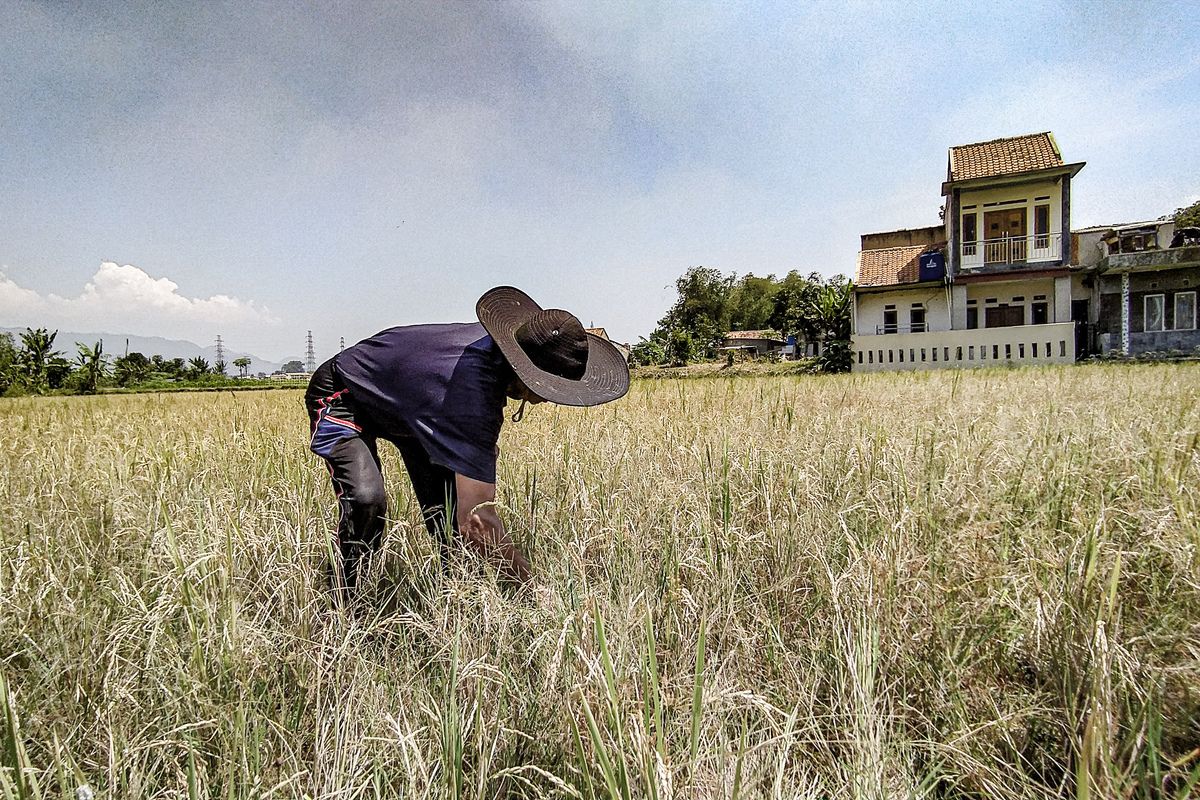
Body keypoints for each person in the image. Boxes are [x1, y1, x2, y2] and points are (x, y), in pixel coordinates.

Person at [305, 286, 629, 596]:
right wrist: (533, 590)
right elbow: (478, 522)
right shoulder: (472, 399)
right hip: (345, 393)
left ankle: (457, 603)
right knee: (366, 500)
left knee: (447, 515)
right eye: (544, 388)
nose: (545, 399)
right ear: (522, 368)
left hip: (418, 409)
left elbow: (466, 517)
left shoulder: (496, 356)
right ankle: (345, 603)